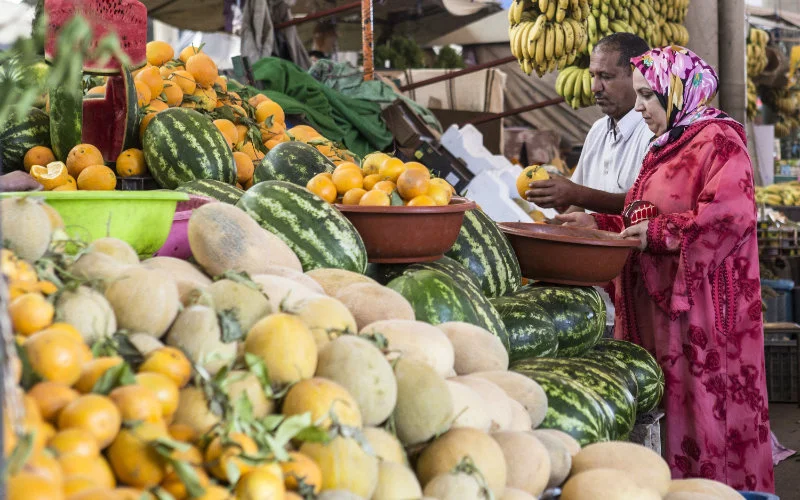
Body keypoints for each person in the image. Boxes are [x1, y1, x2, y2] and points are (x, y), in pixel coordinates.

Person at [558, 46, 774, 492]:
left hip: (701, 317)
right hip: (659, 317)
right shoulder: (668, 144)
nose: (639, 108)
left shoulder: (719, 141)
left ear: (679, 92)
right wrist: (597, 223)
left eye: (647, 96)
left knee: (704, 414)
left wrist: (656, 235)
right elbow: (643, 214)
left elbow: (729, 217)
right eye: (637, 96)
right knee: (669, 416)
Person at [526, 33, 652, 214]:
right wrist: (552, 227)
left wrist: (577, 194)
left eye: (606, 77)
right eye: (593, 75)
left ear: (637, 76)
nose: (595, 87)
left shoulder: (654, 133)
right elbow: (578, 207)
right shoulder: (598, 130)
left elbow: (646, 205)